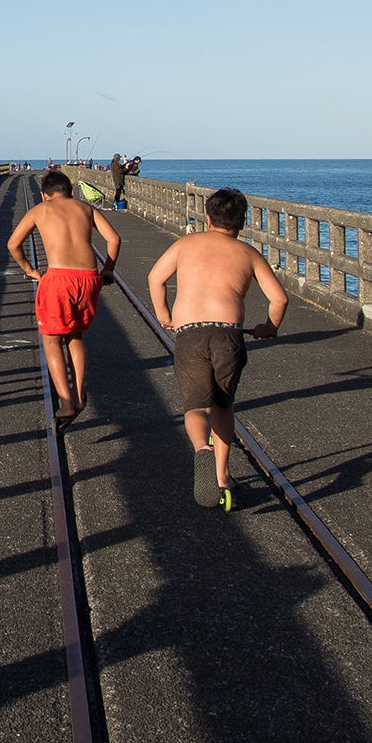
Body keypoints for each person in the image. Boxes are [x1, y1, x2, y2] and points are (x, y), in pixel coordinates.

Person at [146, 187, 289, 511]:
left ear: (207, 217)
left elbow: (156, 278)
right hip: (229, 336)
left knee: (196, 407)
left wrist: (165, 315)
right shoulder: (248, 253)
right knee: (224, 407)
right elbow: (279, 299)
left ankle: (202, 450)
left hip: (191, 334)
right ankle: (223, 476)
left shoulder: (186, 244)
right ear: (241, 221)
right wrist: (269, 328)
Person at [7, 170, 120, 422]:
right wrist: (108, 268)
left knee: (51, 340)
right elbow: (114, 239)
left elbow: (13, 244)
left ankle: (66, 403)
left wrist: (31, 270)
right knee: (75, 335)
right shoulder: (85, 208)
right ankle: (79, 395)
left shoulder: (40, 210)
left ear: (44, 195)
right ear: (70, 191)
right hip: (89, 278)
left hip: (58, 278)